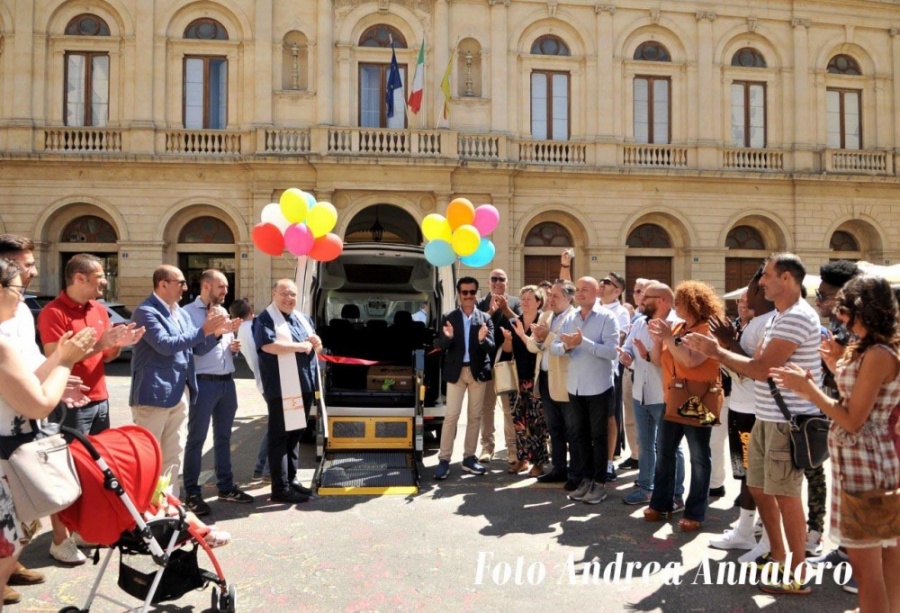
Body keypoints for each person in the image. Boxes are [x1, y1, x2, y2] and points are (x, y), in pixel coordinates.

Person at [684, 253, 823, 595]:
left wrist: (716, 350)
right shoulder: (779, 316)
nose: (761, 283)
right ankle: (778, 558)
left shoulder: (796, 317)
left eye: (768, 276)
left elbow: (759, 368)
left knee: (786, 496)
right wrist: (732, 349)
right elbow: (755, 362)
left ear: (788, 278)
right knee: (760, 489)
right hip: (765, 417)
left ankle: (797, 572)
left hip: (784, 422)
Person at [770, 275, 900, 612]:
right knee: (885, 563)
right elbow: (857, 405)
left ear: (862, 310)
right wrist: (834, 365)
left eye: (843, 309)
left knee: (869, 568)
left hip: (866, 466)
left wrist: (809, 390)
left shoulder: (878, 354)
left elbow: (854, 420)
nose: (838, 317)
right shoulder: (873, 349)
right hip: (869, 462)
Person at [37, 254, 144, 565]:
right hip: (67, 403)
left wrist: (120, 341)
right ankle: (59, 539)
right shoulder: (52, 313)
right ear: (79, 279)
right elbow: (56, 359)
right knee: (64, 471)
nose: (105, 280)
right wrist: (101, 343)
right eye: (99, 276)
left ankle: (81, 529)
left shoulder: (99, 309)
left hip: (99, 399)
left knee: (94, 471)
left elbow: (107, 356)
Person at [0, 259, 96, 603]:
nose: (23, 298)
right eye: (18, 290)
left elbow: (23, 387)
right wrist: (67, 359)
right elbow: (39, 404)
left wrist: (57, 373)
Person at [130, 265, 231, 498]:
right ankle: (144, 507)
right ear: (162, 284)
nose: (185, 288)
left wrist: (216, 333)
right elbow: (165, 345)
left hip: (179, 392)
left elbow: (195, 346)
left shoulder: (180, 312)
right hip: (153, 394)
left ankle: (170, 505)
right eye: (180, 282)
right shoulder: (146, 311)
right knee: (148, 455)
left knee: (173, 453)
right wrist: (204, 329)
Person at [643, 281, 724, 532]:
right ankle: (661, 503)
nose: (675, 305)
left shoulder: (707, 330)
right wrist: (658, 340)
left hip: (699, 400)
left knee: (699, 457)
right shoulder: (677, 327)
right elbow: (657, 361)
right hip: (674, 398)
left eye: (679, 301)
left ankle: (695, 512)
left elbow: (690, 361)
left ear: (693, 304)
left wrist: (669, 337)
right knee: (664, 451)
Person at [707, 269, 776, 559]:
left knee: (758, 477)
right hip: (741, 408)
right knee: (747, 474)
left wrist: (724, 344)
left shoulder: (768, 323)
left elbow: (751, 371)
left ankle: (767, 539)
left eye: (751, 290)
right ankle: (745, 531)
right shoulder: (752, 323)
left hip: (755, 411)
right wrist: (727, 341)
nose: (745, 297)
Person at [182, 270, 252, 516]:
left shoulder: (223, 311)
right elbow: (197, 350)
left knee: (223, 438)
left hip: (226, 383)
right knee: (196, 439)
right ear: (206, 285)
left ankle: (225, 486)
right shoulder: (188, 314)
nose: (225, 291)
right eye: (221, 286)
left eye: (226, 287)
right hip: (203, 383)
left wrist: (232, 348)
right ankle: (191, 492)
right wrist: (220, 333)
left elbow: (219, 349)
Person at [550, 277, 619, 505]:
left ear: (597, 292)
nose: (579, 294)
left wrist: (583, 342)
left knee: (598, 437)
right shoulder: (570, 317)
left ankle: (600, 484)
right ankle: (586, 480)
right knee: (579, 436)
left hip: (599, 386)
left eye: (585, 290)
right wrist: (568, 345)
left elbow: (611, 352)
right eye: (577, 290)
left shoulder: (608, 318)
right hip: (575, 386)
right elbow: (556, 348)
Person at [253, 279, 322, 503]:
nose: (288, 298)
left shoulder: (302, 318)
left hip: (304, 385)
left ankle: (291, 479)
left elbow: (316, 347)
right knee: (280, 438)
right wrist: (301, 346)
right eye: (284, 294)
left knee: (295, 435)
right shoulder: (265, 319)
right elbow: (268, 346)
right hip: (282, 389)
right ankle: (280, 488)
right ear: (274, 293)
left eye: (292, 294)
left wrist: (316, 342)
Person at [617, 282, 685, 507]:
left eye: (648, 297)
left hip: (664, 396)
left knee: (671, 447)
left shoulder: (677, 325)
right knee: (644, 443)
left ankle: (676, 493)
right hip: (640, 393)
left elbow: (677, 361)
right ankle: (646, 487)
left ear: (663, 300)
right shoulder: (638, 322)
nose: (642, 300)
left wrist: (647, 356)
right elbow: (628, 347)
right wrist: (626, 355)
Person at [434, 277, 495, 480]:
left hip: (477, 373)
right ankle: (444, 459)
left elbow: (491, 347)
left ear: (476, 293)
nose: (468, 296)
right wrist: (448, 337)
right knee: (451, 416)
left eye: (471, 292)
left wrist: (482, 339)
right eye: (464, 292)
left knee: (475, 417)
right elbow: (440, 345)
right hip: (456, 372)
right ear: (459, 294)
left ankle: (469, 458)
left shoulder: (485, 318)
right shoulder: (448, 317)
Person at [526, 280, 576, 487]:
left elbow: (566, 346)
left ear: (568, 298)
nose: (551, 300)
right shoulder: (545, 316)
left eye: (555, 296)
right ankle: (558, 469)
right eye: (550, 296)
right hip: (545, 378)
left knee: (572, 429)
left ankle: (576, 472)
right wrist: (537, 339)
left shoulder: (574, 318)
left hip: (565, 381)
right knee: (554, 428)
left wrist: (546, 337)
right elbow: (531, 345)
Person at [499, 285, 548, 476]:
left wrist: (524, 335)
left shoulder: (543, 322)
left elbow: (542, 348)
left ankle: (538, 463)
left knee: (537, 423)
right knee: (518, 422)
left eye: (530, 298)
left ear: (538, 302)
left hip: (537, 379)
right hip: (517, 379)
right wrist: (508, 341)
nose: (525, 301)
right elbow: (506, 353)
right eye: (523, 298)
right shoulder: (514, 322)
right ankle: (522, 459)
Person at [476, 269, 521, 467]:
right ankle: (487, 447)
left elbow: (521, 324)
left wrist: (504, 309)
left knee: (508, 410)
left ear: (507, 282)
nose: (497, 282)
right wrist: (492, 311)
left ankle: (512, 449)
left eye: (501, 279)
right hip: (485, 364)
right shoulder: (480, 303)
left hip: (506, 364)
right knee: (487, 408)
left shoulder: (514, 302)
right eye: (494, 279)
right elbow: (475, 325)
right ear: (488, 282)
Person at [230, 299, 270, 483]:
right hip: (269, 382)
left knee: (276, 426)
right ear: (251, 311)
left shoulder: (242, 330)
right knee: (277, 427)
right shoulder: (255, 326)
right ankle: (263, 469)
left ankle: (262, 468)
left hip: (262, 381)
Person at [598, 272, 631, 482]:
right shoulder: (593, 307)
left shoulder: (621, 313)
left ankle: (609, 462)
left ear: (617, 291)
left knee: (610, 416)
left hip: (609, 371)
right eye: (602, 280)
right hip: (587, 370)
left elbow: (616, 341)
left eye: (607, 282)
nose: (602, 283)